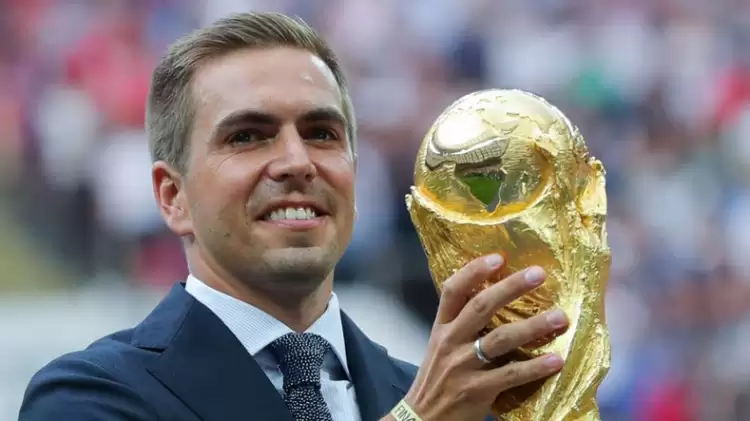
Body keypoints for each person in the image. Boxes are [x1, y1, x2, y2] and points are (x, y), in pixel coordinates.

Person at [18, 12, 569, 421]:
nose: (297, 162)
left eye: (321, 133)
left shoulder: (443, 398)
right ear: (172, 196)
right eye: (247, 136)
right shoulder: (88, 397)